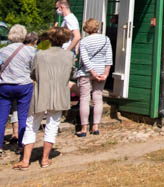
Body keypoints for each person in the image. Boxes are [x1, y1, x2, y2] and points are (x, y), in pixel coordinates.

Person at [12, 28, 74, 170]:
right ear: (65, 39)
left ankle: (25, 161)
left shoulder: (39, 54)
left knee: (31, 125)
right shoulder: (69, 55)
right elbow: (71, 74)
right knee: (52, 125)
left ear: (49, 38)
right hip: (59, 93)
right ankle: (45, 159)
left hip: (41, 92)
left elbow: (33, 74)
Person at [0, 25, 35, 153]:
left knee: (2, 118)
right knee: (23, 116)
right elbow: (33, 69)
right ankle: (22, 145)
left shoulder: (2, 51)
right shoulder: (30, 51)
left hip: (5, 85)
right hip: (23, 85)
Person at [75, 19, 112, 137]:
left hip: (86, 72)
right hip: (101, 72)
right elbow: (109, 58)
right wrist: (105, 73)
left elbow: (85, 60)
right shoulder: (106, 39)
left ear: (86, 28)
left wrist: (93, 72)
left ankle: (84, 128)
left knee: (85, 98)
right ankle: (95, 126)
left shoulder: (84, 41)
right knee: (98, 97)